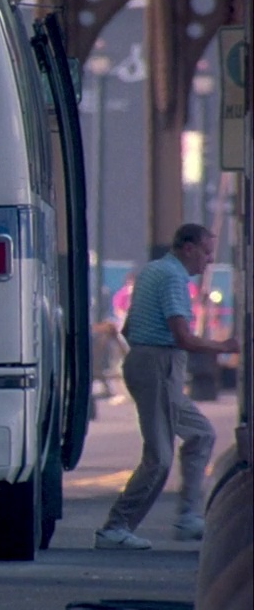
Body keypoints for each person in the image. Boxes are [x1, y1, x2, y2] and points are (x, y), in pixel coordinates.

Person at [93, 224, 240, 550]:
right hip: (160, 366)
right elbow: (183, 337)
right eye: (205, 251)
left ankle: (189, 517)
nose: (209, 259)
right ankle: (115, 527)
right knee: (158, 457)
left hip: (149, 363)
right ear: (187, 247)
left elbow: (129, 329)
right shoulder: (174, 279)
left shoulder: (152, 271)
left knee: (201, 433)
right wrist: (225, 346)